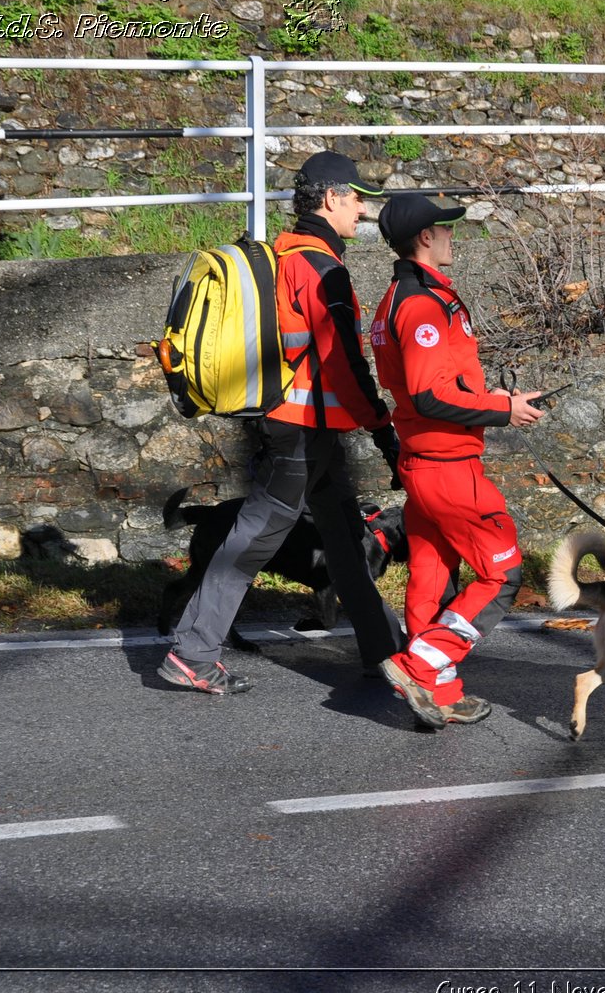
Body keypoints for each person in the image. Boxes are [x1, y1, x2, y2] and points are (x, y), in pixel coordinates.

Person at [159, 150, 407, 695]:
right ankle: (192, 653)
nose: (362, 209)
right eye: (357, 197)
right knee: (252, 541)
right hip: (302, 431)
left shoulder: (285, 253)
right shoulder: (322, 267)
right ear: (331, 197)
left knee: (344, 542)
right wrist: (383, 428)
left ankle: (387, 653)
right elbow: (343, 362)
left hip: (306, 430)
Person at [368, 193, 546, 729]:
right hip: (449, 468)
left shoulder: (399, 297)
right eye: (445, 229)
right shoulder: (421, 304)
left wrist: (486, 397)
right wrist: (500, 408)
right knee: (503, 574)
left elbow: (439, 386)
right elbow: (427, 395)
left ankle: (439, 692)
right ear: (425, 237)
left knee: (430, 575)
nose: (452, 237)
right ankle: (420, 666)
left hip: (426, 462)